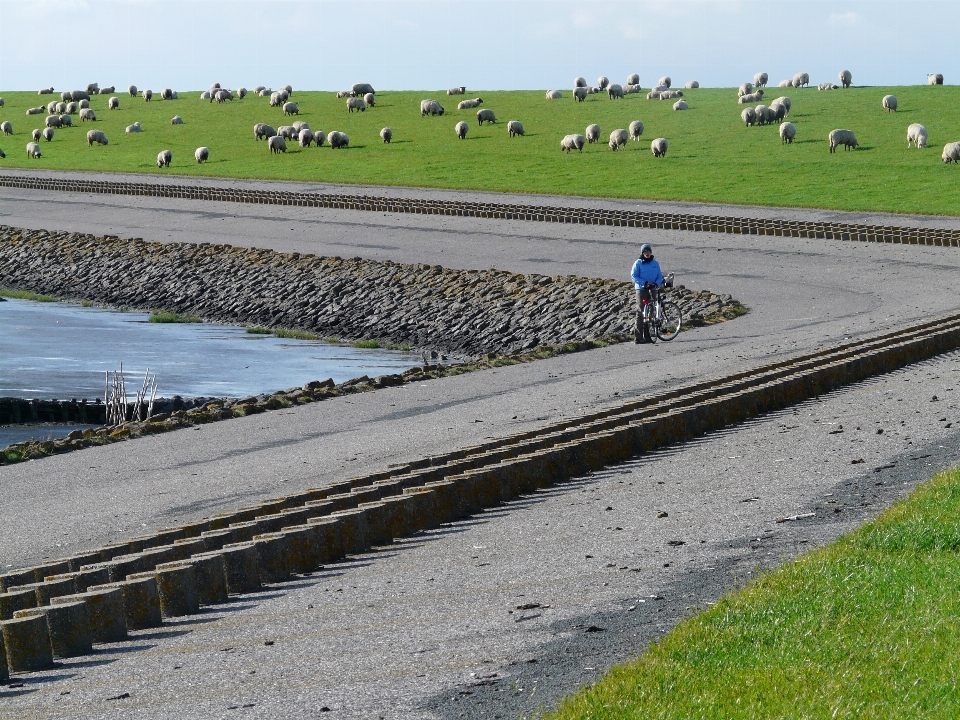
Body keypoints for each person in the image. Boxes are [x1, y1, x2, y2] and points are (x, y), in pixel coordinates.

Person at [631, 243, 663, 344]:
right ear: (642, 253)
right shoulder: (638, 263)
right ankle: (638, 337)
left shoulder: (655, 263)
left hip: (653, 289)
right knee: (641, 312)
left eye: (648, 251)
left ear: (651, 252)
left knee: (652, 312)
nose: (647, 253)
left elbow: (659, 276)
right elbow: (634, 276)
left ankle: (648, 335)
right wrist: (644, 283)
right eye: (645, 251)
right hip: (641, 290)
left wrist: (656, 284)